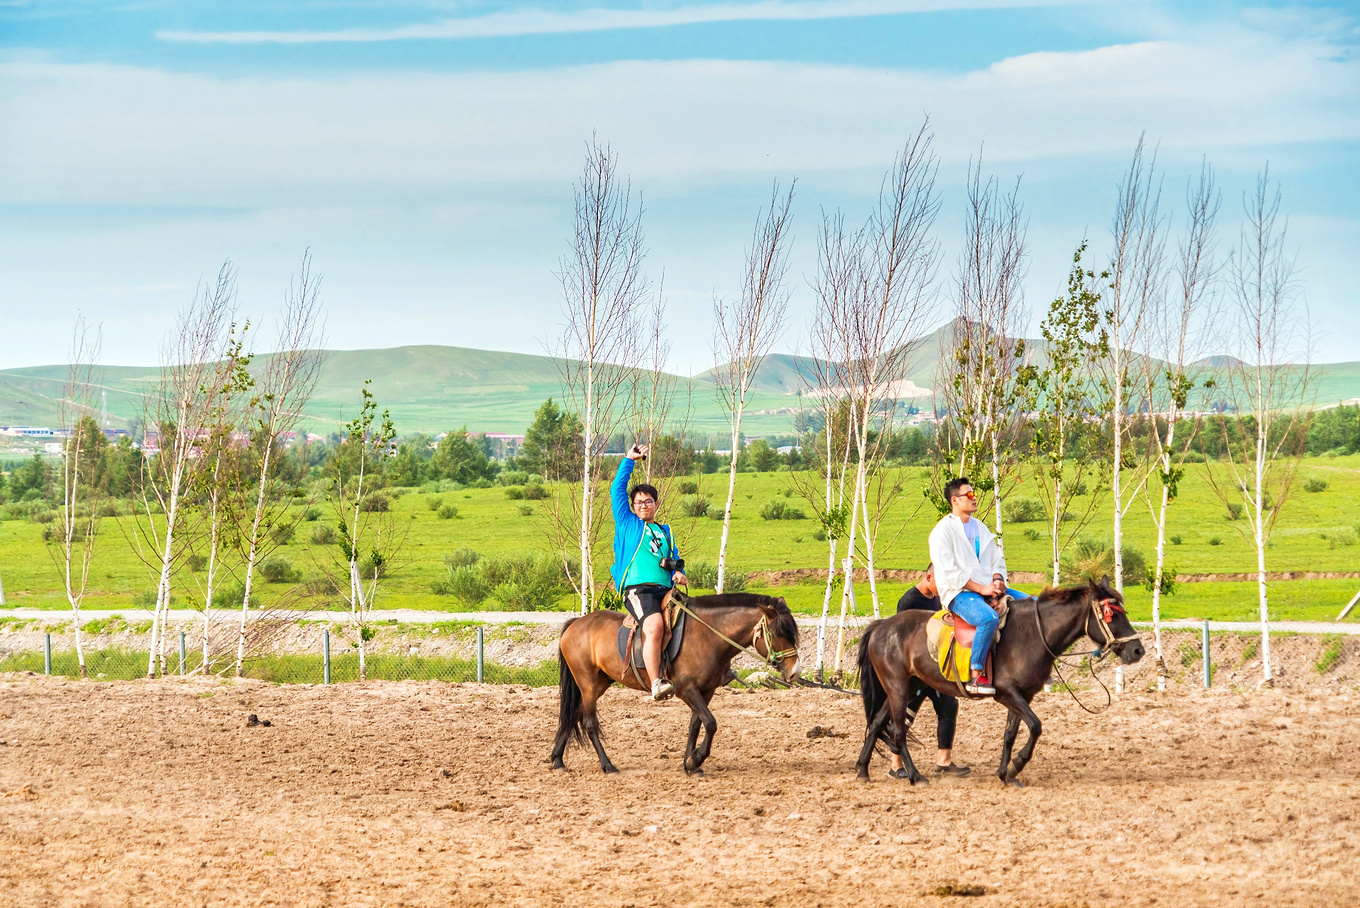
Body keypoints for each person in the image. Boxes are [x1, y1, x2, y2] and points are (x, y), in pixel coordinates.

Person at [927, 476, 1030, 696]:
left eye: (975, 494)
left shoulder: (980, 527)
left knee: (1034, 605)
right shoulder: (941, 532)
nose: (975, 499)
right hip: (960, 594)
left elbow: (996, 559)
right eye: (970, 495)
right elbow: (949, 572)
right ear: (955, 500)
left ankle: (1032, 664)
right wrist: (982, 589)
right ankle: (976, 674)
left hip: (988, 587)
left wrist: (998, 580)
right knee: (987, 618)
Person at [611, 443, 688, 701]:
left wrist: (679, 572)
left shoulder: (665, 531)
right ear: (632, 507)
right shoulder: (628, 524)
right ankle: (656, 683)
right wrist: (628, 461)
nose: (643, 505)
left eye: (648, 501)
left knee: (691, 621)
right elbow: (616, 490)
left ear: (656, 504)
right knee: (654, 626)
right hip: (638, 589)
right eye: (639, 502)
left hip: (665, 589)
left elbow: (674, 560)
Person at [889, 564, 970, 777]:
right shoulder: (909, 602)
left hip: (933, 670)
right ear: (928, 577)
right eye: (940, 581)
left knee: (949, 706)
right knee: (904, 715)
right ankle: (895, 765)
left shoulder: (936, 599)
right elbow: (903, 639)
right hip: (915, 672)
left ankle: (944, 761)